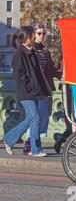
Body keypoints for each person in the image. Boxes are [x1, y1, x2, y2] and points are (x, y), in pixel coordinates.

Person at [3, 26, 52, 157]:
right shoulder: (19, 54)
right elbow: (19, 76)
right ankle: (15, 141)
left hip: (35, 91)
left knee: (33, 118)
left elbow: (37, 73)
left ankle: (34, 148)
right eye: (33, 35)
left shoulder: (32, 52)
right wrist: (30, 87)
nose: (35, 37)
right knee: (34, 117)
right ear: (28, 38)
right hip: (26, 92)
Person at [22, 23, 61, 154]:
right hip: (34, 88)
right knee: (35, 117)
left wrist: (61, 74)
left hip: (44, 87)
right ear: (33, 34)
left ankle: (30, 143)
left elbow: (50, 68)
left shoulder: (44, 50)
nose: (42, 36)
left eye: (44, 33)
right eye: (39, 33)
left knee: (43, 116)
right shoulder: (30, 49)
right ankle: (29, 144)